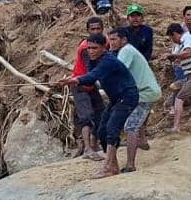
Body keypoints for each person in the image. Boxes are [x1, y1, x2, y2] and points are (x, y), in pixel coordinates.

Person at [53, 33, 138, 178]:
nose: (91, 51)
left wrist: (74, 80)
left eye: (94, 48)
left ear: (104, 48)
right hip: (116, 99)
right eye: (89, 48)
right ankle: (112, 165)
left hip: (127, 97)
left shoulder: (108, 60)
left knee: (112, 128)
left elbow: (92, 76)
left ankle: (109, 166)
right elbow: (90, 78)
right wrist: (75, 80)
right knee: (102, 131)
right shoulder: (95, 60)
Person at [109, 28, 161, 173]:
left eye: (114, 39)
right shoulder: (129, 50)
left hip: (145, 93)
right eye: (110, 39)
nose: (111, 43)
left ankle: (130, 164)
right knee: (136, 121)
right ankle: (143, 141)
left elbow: (117, 71)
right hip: (147, 91)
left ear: (123, 40)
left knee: (131, 126)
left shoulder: (126, 51)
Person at [70, 17, 107, 159]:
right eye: (93, 29)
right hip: (80, 83)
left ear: (102, 29)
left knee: (100, 112)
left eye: (98, 29)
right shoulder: (86, 48)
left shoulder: (104, 43)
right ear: (88, 30)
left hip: (90, 83)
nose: (96, 31)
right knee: (86, 116)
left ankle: (95, 144)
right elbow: (91, 69)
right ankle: (87, 148)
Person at [164, 23, 191, 132]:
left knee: (179, 99)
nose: (172, 40)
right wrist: (172, 57)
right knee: (175, 87)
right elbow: (178, 56)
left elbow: (188, 53)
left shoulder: (187, 38)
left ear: (175, 34)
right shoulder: (181, 43)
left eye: (171, 37)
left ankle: (176, 127)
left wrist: (172, 56)